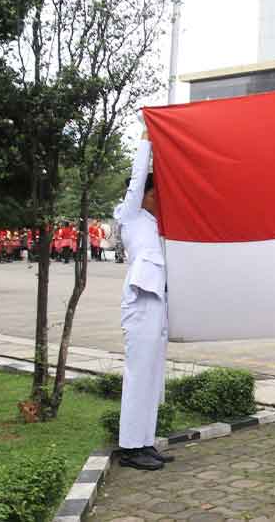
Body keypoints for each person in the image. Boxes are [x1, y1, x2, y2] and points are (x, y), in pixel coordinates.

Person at [114, 122, 174, 471]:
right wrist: (146, 142)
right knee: (139, 373)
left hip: (158, 302)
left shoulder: (154, 224)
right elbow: (138, 179)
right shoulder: (131, 215)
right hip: (140, 301)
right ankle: (129, 448)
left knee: (153, 375)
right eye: (157, 193)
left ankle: (145, 442)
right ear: (146, 195)